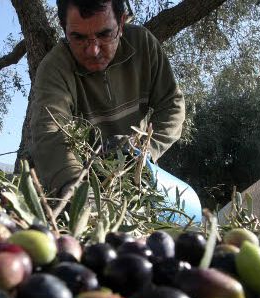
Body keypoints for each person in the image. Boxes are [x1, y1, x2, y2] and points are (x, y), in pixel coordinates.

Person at [29, 0, 185, 196]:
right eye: (78, 37)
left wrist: (143, 152)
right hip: (83, 183)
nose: (93, 51)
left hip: (139, 180)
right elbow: (49, 131)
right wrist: (76, 188)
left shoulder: (143, 44)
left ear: (120, 24)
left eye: (104, 34)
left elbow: (172, 104)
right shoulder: (54, 68)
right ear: (63, 28)